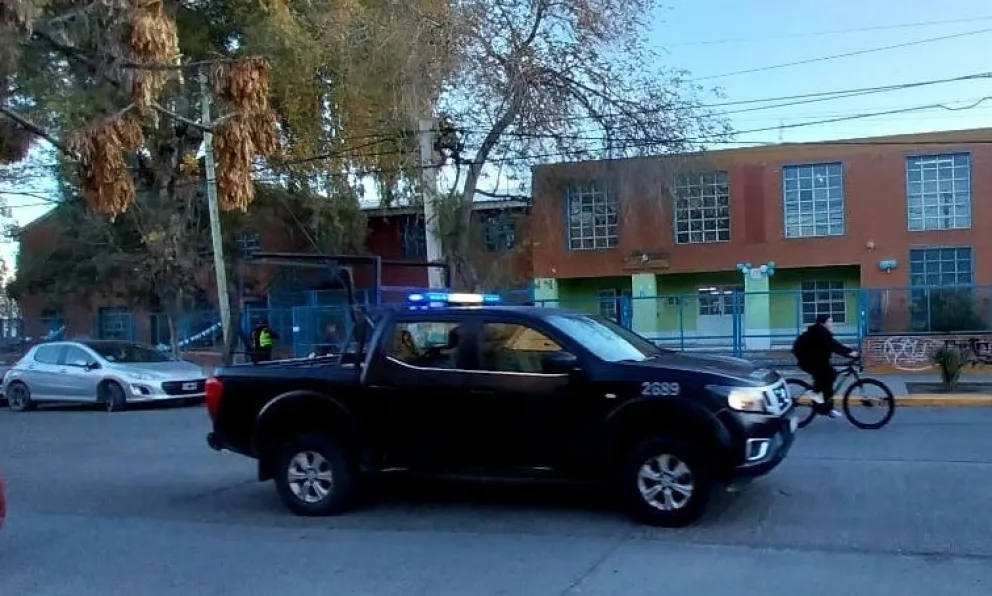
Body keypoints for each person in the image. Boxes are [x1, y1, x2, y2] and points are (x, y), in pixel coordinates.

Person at [792, 314, 859, 418]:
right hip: (809, 361)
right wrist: (851, 353)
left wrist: (849, 351)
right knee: (827, 376)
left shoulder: (820, 332)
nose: (832, 325)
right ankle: (816, 396)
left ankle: (826, 407)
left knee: (829, 376)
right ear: (823, 323)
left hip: (816, 360)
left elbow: (835, 345)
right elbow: (835, 346)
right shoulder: (820, 333)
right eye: (830, 322)